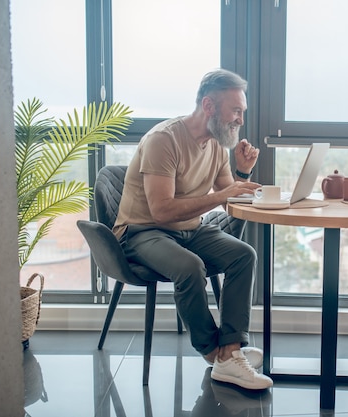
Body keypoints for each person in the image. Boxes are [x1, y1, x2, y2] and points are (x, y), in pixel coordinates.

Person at [112, 69, 273, 390]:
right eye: (236, 111)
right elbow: (161, 210)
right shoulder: (164, 140)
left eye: (242, 112)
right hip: (142, 231)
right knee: (190, 267)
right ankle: (214, 352)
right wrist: (222, 194)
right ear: (210, 106)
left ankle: (231, 350)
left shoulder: (215, 144)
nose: (240, 120)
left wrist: (242, 173)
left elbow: (228, 195)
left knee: (244, 255)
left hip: (189, 229)